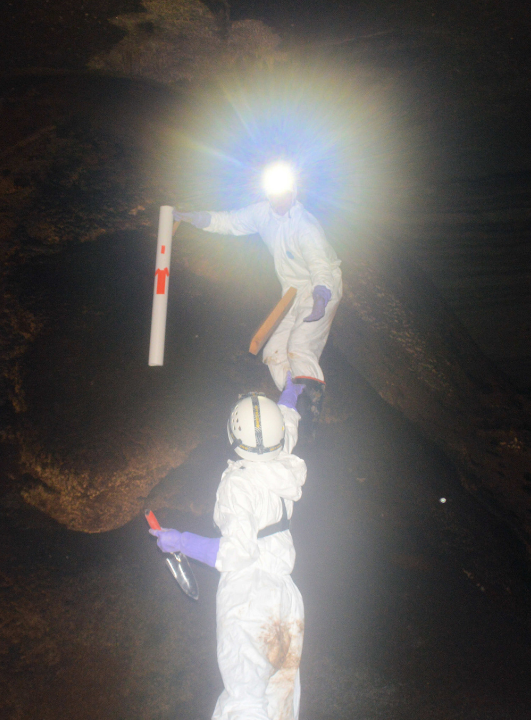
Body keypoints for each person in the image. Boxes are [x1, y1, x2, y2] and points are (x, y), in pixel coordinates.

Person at [150, 374, 308, 720]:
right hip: (285, 596)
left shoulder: (239, 485)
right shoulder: (282, 461)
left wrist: (181, 541)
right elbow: (285, 428)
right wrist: (290, 397)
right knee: (281, 698)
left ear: (232, 436)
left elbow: (237, 553)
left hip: (249, 597)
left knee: (245, 699)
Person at [176, 162, 342, 415]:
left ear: (293, 193)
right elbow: (231, 221)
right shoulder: (263, 213)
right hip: (292, 292)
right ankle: (293, 398)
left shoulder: (305, 226)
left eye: (284, 193)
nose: (279, 199)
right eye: (274, 193)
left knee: (299, 347)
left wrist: (321, 295)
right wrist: (197, 218)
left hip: (320, 287)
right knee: (273, 351)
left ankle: (311, 412)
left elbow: (320, 264)